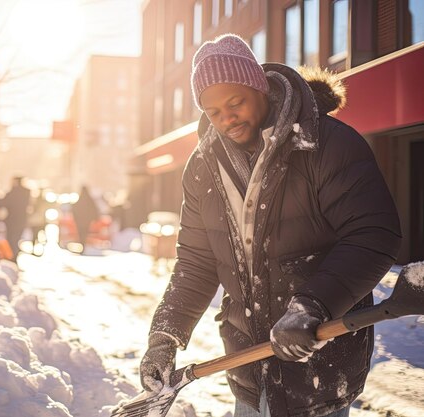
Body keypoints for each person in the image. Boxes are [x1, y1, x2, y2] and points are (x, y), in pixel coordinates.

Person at [138, 34, 402, 417]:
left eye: (235, 102)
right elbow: (196, 262)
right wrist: (164, 335)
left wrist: (313, 305)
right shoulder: (203, 167)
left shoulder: (325, 144)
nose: (226, 118)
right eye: (213, 111)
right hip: (248, 366)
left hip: (317, 364)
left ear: (258, 86)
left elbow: (373, 234)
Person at [1, 176, 31, 260]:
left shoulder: (12, 192)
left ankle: (12, 255)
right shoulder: (26, 192)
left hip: (12, 220)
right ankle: (14, 255)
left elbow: (4, 203)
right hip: (21, 219)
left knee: (11, 238)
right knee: (16, 238)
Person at [71, 185, 99, 251]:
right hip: (87, 221)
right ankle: (83, 244)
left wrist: (76, 218)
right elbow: (94, 209)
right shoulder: (89, 200)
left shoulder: (80, 200)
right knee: (85, 232)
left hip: (80, 221)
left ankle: (82, 244)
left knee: (81, 233)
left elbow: (74, 209)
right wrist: (95, 218)